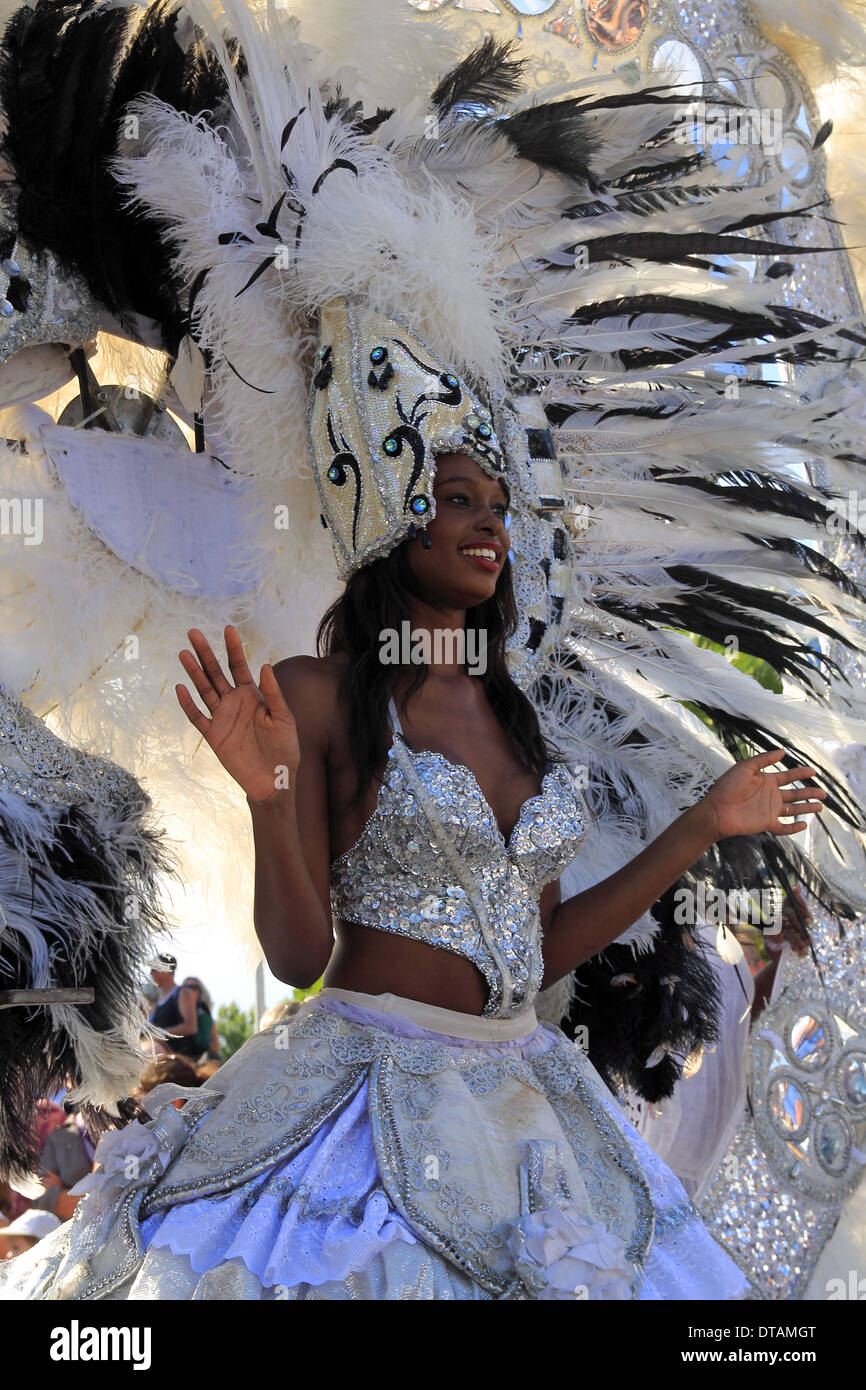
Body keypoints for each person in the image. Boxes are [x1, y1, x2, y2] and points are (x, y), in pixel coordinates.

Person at [0, 442, 827, 1298]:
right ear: (399, 522)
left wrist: (703, 825)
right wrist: (268, 794)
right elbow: (295, 957)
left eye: (501, 508)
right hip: (358, 1092)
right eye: (460, 500)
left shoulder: (522, 726)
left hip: (519, 1096)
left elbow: (538, 955)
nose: (489, 525)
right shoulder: (317, 693)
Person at [148, 956, 201, 1059]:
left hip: (181, 1061)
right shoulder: (156, 1001)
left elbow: (191, 1027)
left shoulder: (183, 993)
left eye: (154, 969)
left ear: (167, 970)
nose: (151, 973)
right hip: (160, 1059)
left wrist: (161, 1033)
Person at [181, 978, 221, 1061]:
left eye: (193, 987)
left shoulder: (204, 1012)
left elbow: (215, 1047)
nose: (188, 991)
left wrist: (199, 1043)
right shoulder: (174, 1011)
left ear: (200, 992)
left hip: (200, 1059)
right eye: (185, 988)